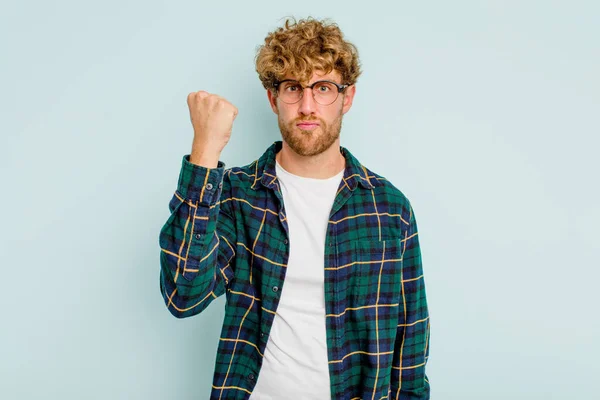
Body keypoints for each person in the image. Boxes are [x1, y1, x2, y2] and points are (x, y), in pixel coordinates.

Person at [159, 17, 431, 400]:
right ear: (273, 99)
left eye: (322, 88)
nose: (306, 106)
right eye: (292, 88)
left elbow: (411, 346)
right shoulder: (238, 195)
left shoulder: (388, 209)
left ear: (346, 98)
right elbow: (183, 295)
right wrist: (204, 154)